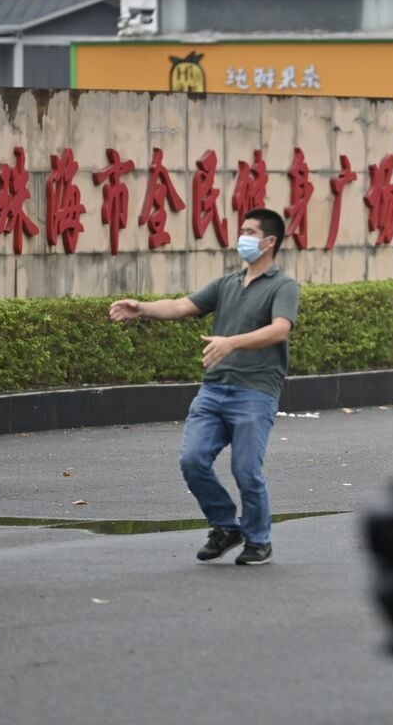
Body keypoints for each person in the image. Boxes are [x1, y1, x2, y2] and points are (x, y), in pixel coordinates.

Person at [109, 208, 299, 566]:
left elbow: (280, 329)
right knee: (192, 460)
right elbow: (183, 305)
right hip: (214, 389)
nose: (241, 236)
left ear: (269, 241)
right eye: (241, 229)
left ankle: (259, 540)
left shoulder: (282, 285)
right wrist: (143, 308)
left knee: (245, 470)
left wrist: (232, 343)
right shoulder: (227, 284)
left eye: (249, 231)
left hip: (255, 391)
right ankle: (226, 526)